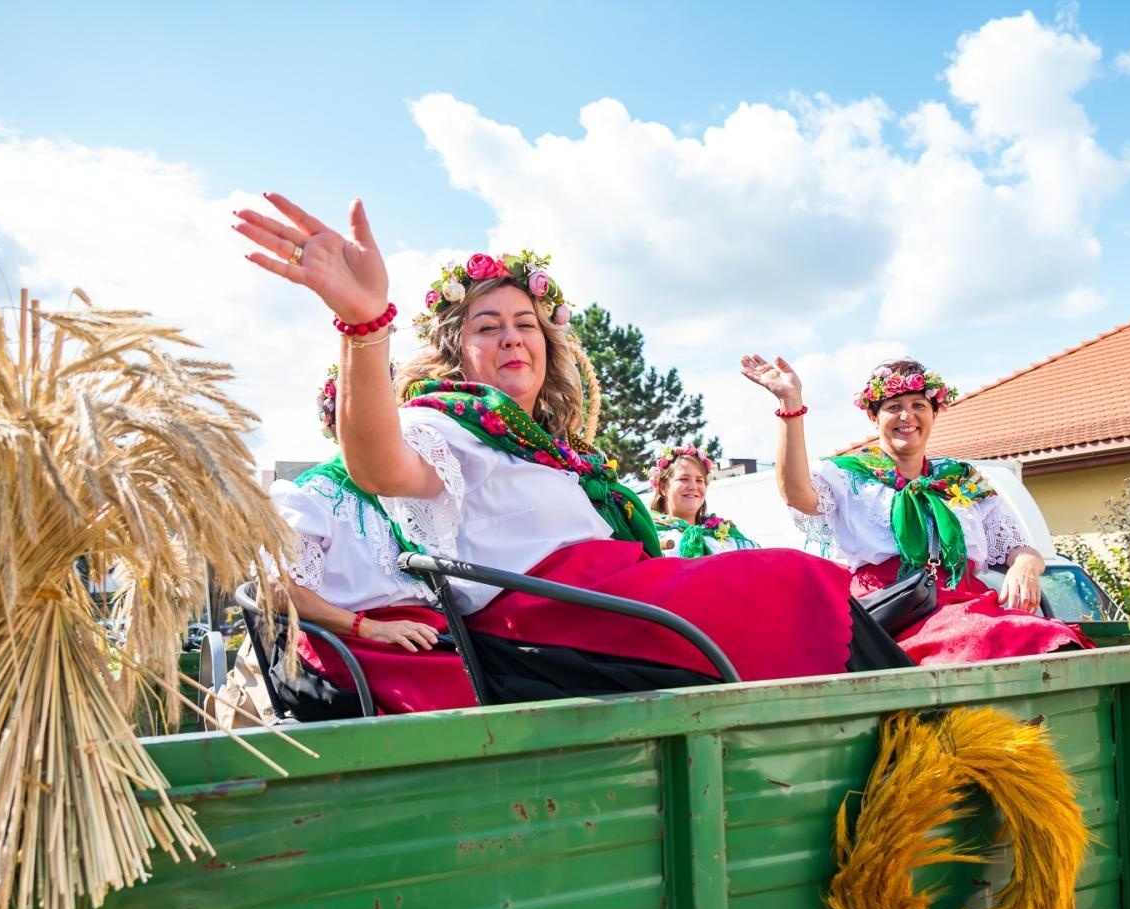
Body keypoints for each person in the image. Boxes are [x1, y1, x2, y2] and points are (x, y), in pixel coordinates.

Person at [235, 194, 891, 697]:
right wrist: (364, 325)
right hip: (546, 630)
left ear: (548, 347)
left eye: (525, 325)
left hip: (610, 603)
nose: (511, 338)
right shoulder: (446, 425)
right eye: (486, 327)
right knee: (792, 580)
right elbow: (378, 465)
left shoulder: (552, 450)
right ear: (456, 353)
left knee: (804, 590)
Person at [740, 354, 1092, 664]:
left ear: (935, 414)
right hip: (894, 616)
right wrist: (791, 405)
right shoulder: (848, 477)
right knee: (990, 638)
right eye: (893, 406)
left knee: (1052, 638)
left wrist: (1026, 567)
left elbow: (1019, 548)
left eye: (919, 405)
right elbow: (796, 493)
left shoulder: (963, 480)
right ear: (874, 418)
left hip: (969, 606)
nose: (906, 415)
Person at [264, 392, 475, 715]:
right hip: (356, 643)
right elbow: (281, 591)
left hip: (430, 634)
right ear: (336, 427)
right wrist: (369, 628)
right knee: (461, 699)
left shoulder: (416, 493)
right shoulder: (310, 497)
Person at [648, 446, 758, 557]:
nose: (693, 486)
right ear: (663, 487)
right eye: (684, 479)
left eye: (699, 480)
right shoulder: (649, 534)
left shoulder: (727, 535)